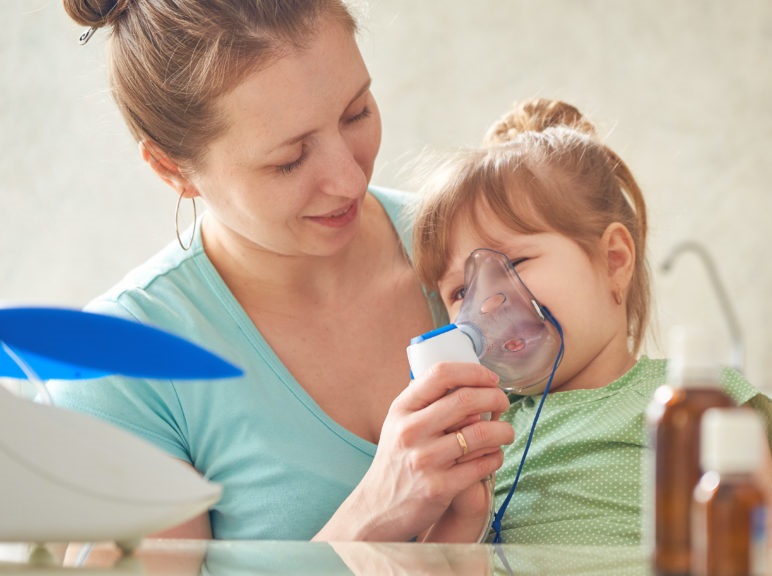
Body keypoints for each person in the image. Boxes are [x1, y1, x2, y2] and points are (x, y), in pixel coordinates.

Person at [49, 0, 515, 542]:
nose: (348, 179)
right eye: (288, 161)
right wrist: (375, 513)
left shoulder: (480, 249)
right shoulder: (122, 368)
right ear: (172, 169)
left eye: (356, 112)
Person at [410, 97, 772, 545]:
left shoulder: (691, 406)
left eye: (515, 261)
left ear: (613, 261)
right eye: (459, 291)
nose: (483, 304)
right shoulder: (477, 435)